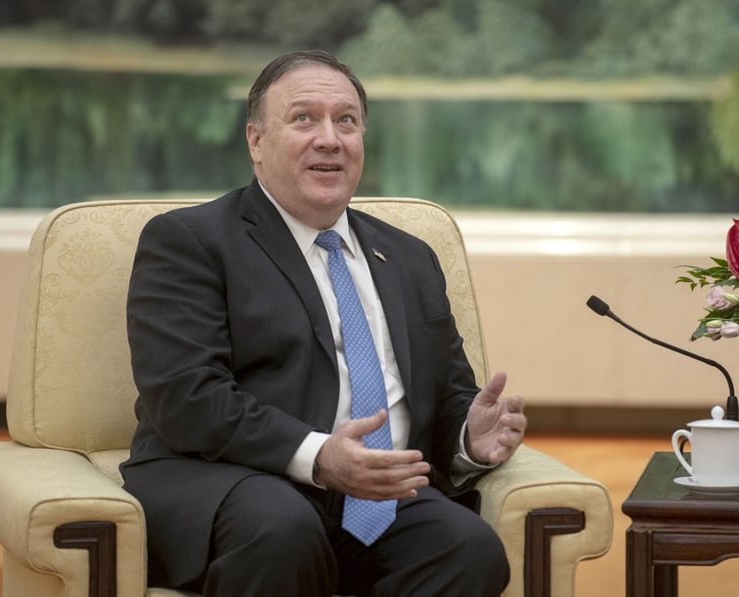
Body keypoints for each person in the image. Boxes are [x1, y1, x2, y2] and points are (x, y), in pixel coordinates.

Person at [120, 49, 527, 597]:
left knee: (469, 549)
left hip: (377, 499)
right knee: (283, 527)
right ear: (256, 142)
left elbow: (450, 392)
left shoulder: (410, 257)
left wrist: (468, 440)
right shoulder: (191, 242)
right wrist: (319, 456)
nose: (330, 139)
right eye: (304, 118)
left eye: (347, 121)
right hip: (233, 481)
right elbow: (186, 399)